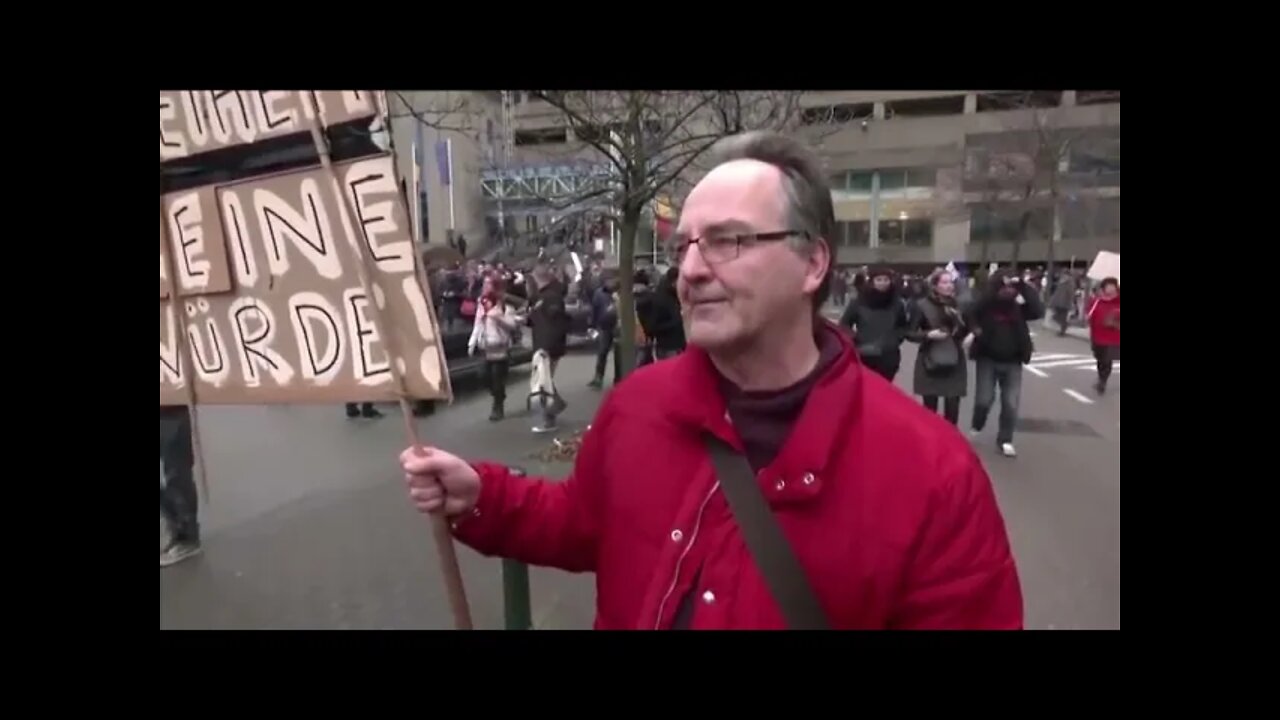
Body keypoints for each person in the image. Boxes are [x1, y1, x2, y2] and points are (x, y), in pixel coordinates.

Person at [399, 131, 1021, 630]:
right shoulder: (638, 404)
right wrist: (483, 496)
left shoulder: (933, 474)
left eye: (727, 242)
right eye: (684, 247)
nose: (690, 270)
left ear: (813, 262)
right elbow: (585, 522)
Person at [966, 270, 1045, 458]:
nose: (1008, 291)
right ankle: (977, 424)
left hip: (1013, 360)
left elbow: (1037, 310)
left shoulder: (1018, 308)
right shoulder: (986, 306)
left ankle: (1005, 439)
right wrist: (977, 331)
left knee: (1010, 402)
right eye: (1005, 287)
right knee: (984, 400)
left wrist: (1022, 286)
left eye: (1012, 288)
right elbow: (971, 312)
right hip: (988, 358)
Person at [906, 269, 970, 425]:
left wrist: (971, 335)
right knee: (930, 410)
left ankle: (950, 444)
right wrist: (928, 335)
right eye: (944, 282)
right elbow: (909, 333)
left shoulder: (959, 305)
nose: (949, 286)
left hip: (954, 359)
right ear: (934, 285)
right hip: (931, 360)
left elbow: (970, 326)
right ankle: (932, 444)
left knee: (952, 407)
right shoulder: (922, 305)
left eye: (951, 282)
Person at [839, 267, 909, 381]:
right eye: (879, 280)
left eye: (886, 280)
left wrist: (895, 338)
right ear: (872, 282)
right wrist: (856, 338)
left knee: (885, 390)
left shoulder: (897, 303)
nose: (883, 283)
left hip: (889, 355)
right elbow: (844, 325)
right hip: (865, 354)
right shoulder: (858, 302)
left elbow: (903, 325)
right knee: (867, 389)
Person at [469, 272, 523, 421]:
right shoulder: (482, 302)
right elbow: (478, 322)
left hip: (500, 347)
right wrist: (472, 342)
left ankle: (497, 406)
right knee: (483, 376)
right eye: (484, 284)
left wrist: (498, 318)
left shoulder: (505, 304)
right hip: (485, 346)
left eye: (489, 284)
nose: (485, 287)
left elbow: (513, 324)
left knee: (497, 379)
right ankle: (498, 394)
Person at [160, 405, 201, 567]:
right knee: (175, 471)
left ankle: (187, 538)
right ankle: (174, 527)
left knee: (176, 471)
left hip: (170, 409)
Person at [1087, 277, 1121, 395]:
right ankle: (1101, 377)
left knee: (1107, 359)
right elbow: (1090, 315)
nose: (1110, 288)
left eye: (1112, 286)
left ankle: (1103, 381)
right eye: (1108, 286)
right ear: (1103, 288)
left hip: (1113, 336)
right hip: (1097, 335)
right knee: (1100, 358)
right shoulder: (1097, 301)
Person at [1049, 270, 1077, 336]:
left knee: (1063, 317)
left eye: (1066, 275)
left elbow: (1071, 294)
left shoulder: (1070, 284)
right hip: (1058, 302)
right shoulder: (1061, 282)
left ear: (1069, 276)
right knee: (1056, 316)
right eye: (1064, 275)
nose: (1064, 276)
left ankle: (1062, 331)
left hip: (1065, 303)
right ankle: (1065, 326)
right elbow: (1057, 293)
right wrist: (1052, 301)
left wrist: (1071, 302)